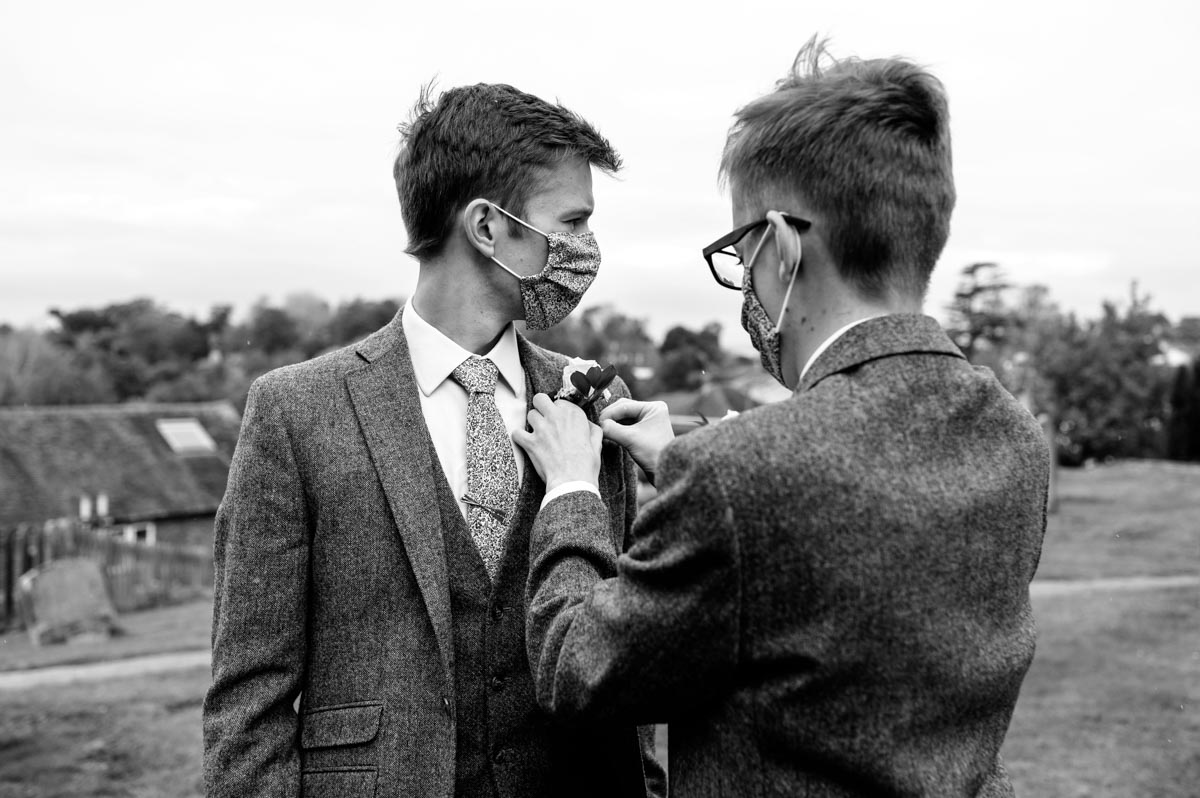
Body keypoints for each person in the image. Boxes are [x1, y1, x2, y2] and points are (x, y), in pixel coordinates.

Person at [514, 38, 1050, 797]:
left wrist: (572, 488)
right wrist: (680, 463)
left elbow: (579, 672)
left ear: (781, 246)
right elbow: (856, 554)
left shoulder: (743, 476)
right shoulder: (1010, 433)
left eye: (739, 250)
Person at [202, 82, 664, 798]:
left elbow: (621, 650)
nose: (586, 249)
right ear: (487, 227)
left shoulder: (594, 401)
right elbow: (247, 704)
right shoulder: (294, 411)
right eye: (572, 222)